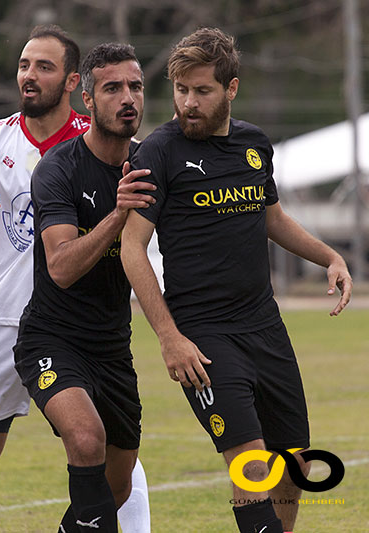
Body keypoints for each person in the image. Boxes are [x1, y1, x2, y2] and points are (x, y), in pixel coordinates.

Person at [0, 25, 150, 533]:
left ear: (71, 82)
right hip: (4, 318)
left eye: (43, 66)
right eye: (24, 65)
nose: (29, 75)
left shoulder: (106, 137)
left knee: (111, 451)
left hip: (83, 323)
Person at [120, 27, 352, 533]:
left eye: (202, 91)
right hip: (203, 335)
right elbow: (132, 249)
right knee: (251, 468)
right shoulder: (157, 152)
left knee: (296, 465)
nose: (188, 103)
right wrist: (169, 337)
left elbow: (272, 218)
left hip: (264, 326)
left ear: (231, 89)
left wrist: (329, 256)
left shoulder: (254, 144)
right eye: (181, 90)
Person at [13, 43, 153, 533]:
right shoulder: (58, 169)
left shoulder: (149, 165)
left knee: (117, 487)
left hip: (113, 347)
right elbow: (61, 267)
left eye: (135, 86)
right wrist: (118, 214)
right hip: (52, 339)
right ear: (88, 99)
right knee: (87, 439)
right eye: (112, 88)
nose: (127, 97)